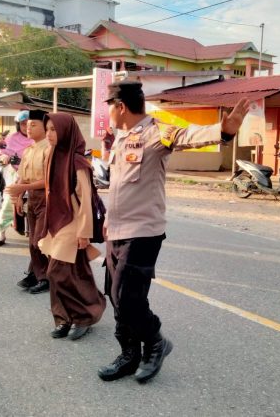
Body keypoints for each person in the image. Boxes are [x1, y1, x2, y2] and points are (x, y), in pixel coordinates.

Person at [97, 81, 250, 383]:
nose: (109, 113)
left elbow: (187, 135)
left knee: (129, 299)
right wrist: (108, 220)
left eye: (109, 107)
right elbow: (119, 185)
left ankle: (155, 342)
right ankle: (129, 354)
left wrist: (224, 130)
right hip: (116, 230)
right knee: (115, 296)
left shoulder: (155, 132)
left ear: (120, 107)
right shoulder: (120, 138)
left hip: (142, 233)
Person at [37, 113, 106, 340]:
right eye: (47, 129)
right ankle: (63, 319)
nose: (49, 134)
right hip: (55, 221)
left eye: (53, 130)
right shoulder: (51, 154)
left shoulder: (77, 161)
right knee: (73, 272)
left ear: (66, 131)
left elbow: (85, 198)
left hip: (73, 221)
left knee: (55, 272)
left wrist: (84, 232)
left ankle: (84, 314)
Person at [5, 111, 50, 292]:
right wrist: (18, 196)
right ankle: (36, 274)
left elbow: (49, 180)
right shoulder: (29, 149)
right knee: (32, 239)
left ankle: (45, 278)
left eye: (34, 125)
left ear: (44, 127)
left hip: (46, 198)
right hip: (31, 198)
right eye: (27, 125)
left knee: (38, 240)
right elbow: (22, 177)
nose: (29, 128)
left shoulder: (48, 148)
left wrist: (23, 189)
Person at [0, 110, 38, 246]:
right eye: (23, 124)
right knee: (8, 200)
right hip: (16, 173)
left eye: (30, 124)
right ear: (18, 125)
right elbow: (1, 153)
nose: (27, 127)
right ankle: (2, 232)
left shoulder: (40, 137)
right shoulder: (12, 138)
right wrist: (4, 157)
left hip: (36, 174)